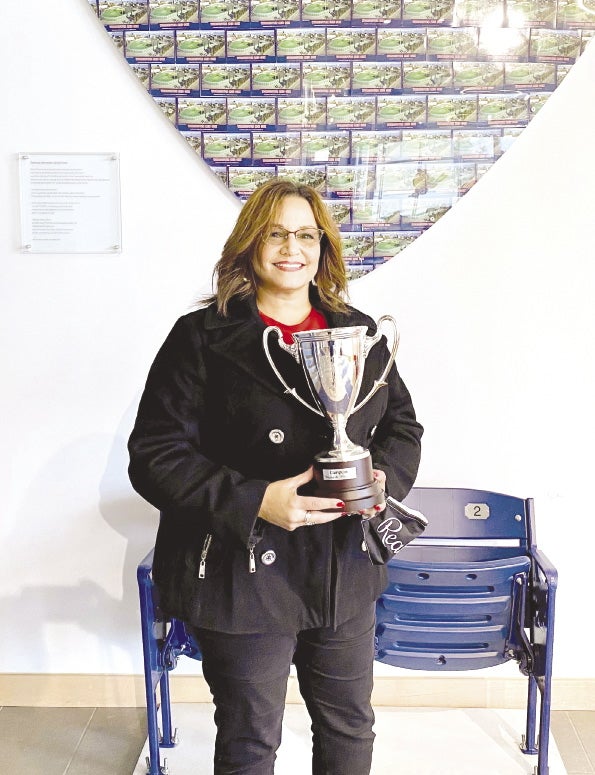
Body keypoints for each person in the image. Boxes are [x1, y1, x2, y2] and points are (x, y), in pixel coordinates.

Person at [128, 178, 423, 775]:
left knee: (348, 725)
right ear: (250, 245)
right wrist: (256, 500)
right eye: (276, 233)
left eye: (307, 234)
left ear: (324, 247)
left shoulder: (356, 329)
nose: (293, 247)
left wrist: (382, 478)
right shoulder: (201, 336)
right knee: (249, 737)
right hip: (242, 568)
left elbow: (402, 426)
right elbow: (154, 454)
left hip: (343, 565)